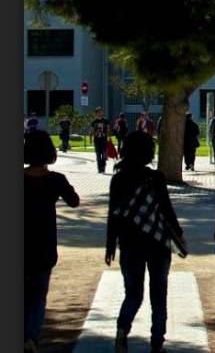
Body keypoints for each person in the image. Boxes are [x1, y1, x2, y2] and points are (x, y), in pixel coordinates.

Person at [107, 131, 187, 353]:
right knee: (159, 294)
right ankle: (157, 340)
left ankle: (122, 331)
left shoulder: (118, 179)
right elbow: (167, 210)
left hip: (130, 244)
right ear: (149, 153)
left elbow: (113, 214)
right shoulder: (156, 178)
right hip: (157, 243)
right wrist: (179, 234)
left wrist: (110, 244)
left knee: (133, 294)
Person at [24, 130, 80, 353]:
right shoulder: (55, 180)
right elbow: (74, 201)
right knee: (38, 295)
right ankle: (30, 336)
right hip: (44, 243)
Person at [90, 107, 110, 174]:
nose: (101, 113)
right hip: (97, 141)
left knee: (104, 156)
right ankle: (99, 169)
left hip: (104, 140)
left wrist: (108, 136)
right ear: (96, 113)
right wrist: (95, 133)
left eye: (101, 112)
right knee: (98, 156)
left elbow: (108, 130)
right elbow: (92, 132)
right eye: (99, 112)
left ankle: (103, 168)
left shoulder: (106, 121)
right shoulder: (94, 122)